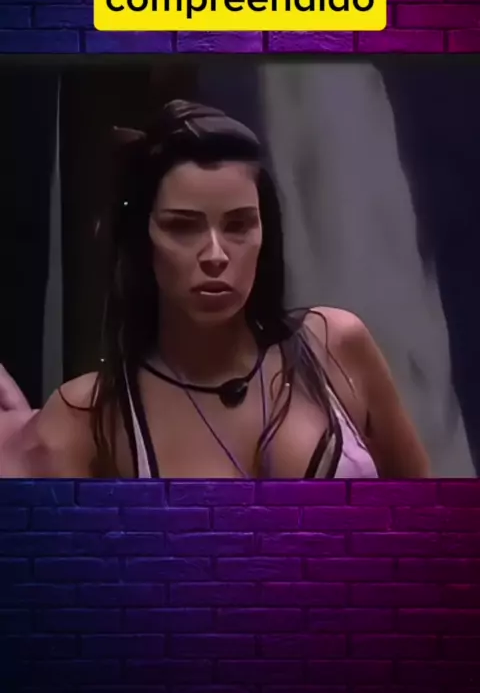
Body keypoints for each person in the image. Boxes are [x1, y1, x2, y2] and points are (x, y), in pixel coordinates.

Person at [0, 100, 430, 479]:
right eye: (182, 227)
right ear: (141, 240)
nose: (215, 255)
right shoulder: (94, 415)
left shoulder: (335, 346)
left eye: (239, 225)